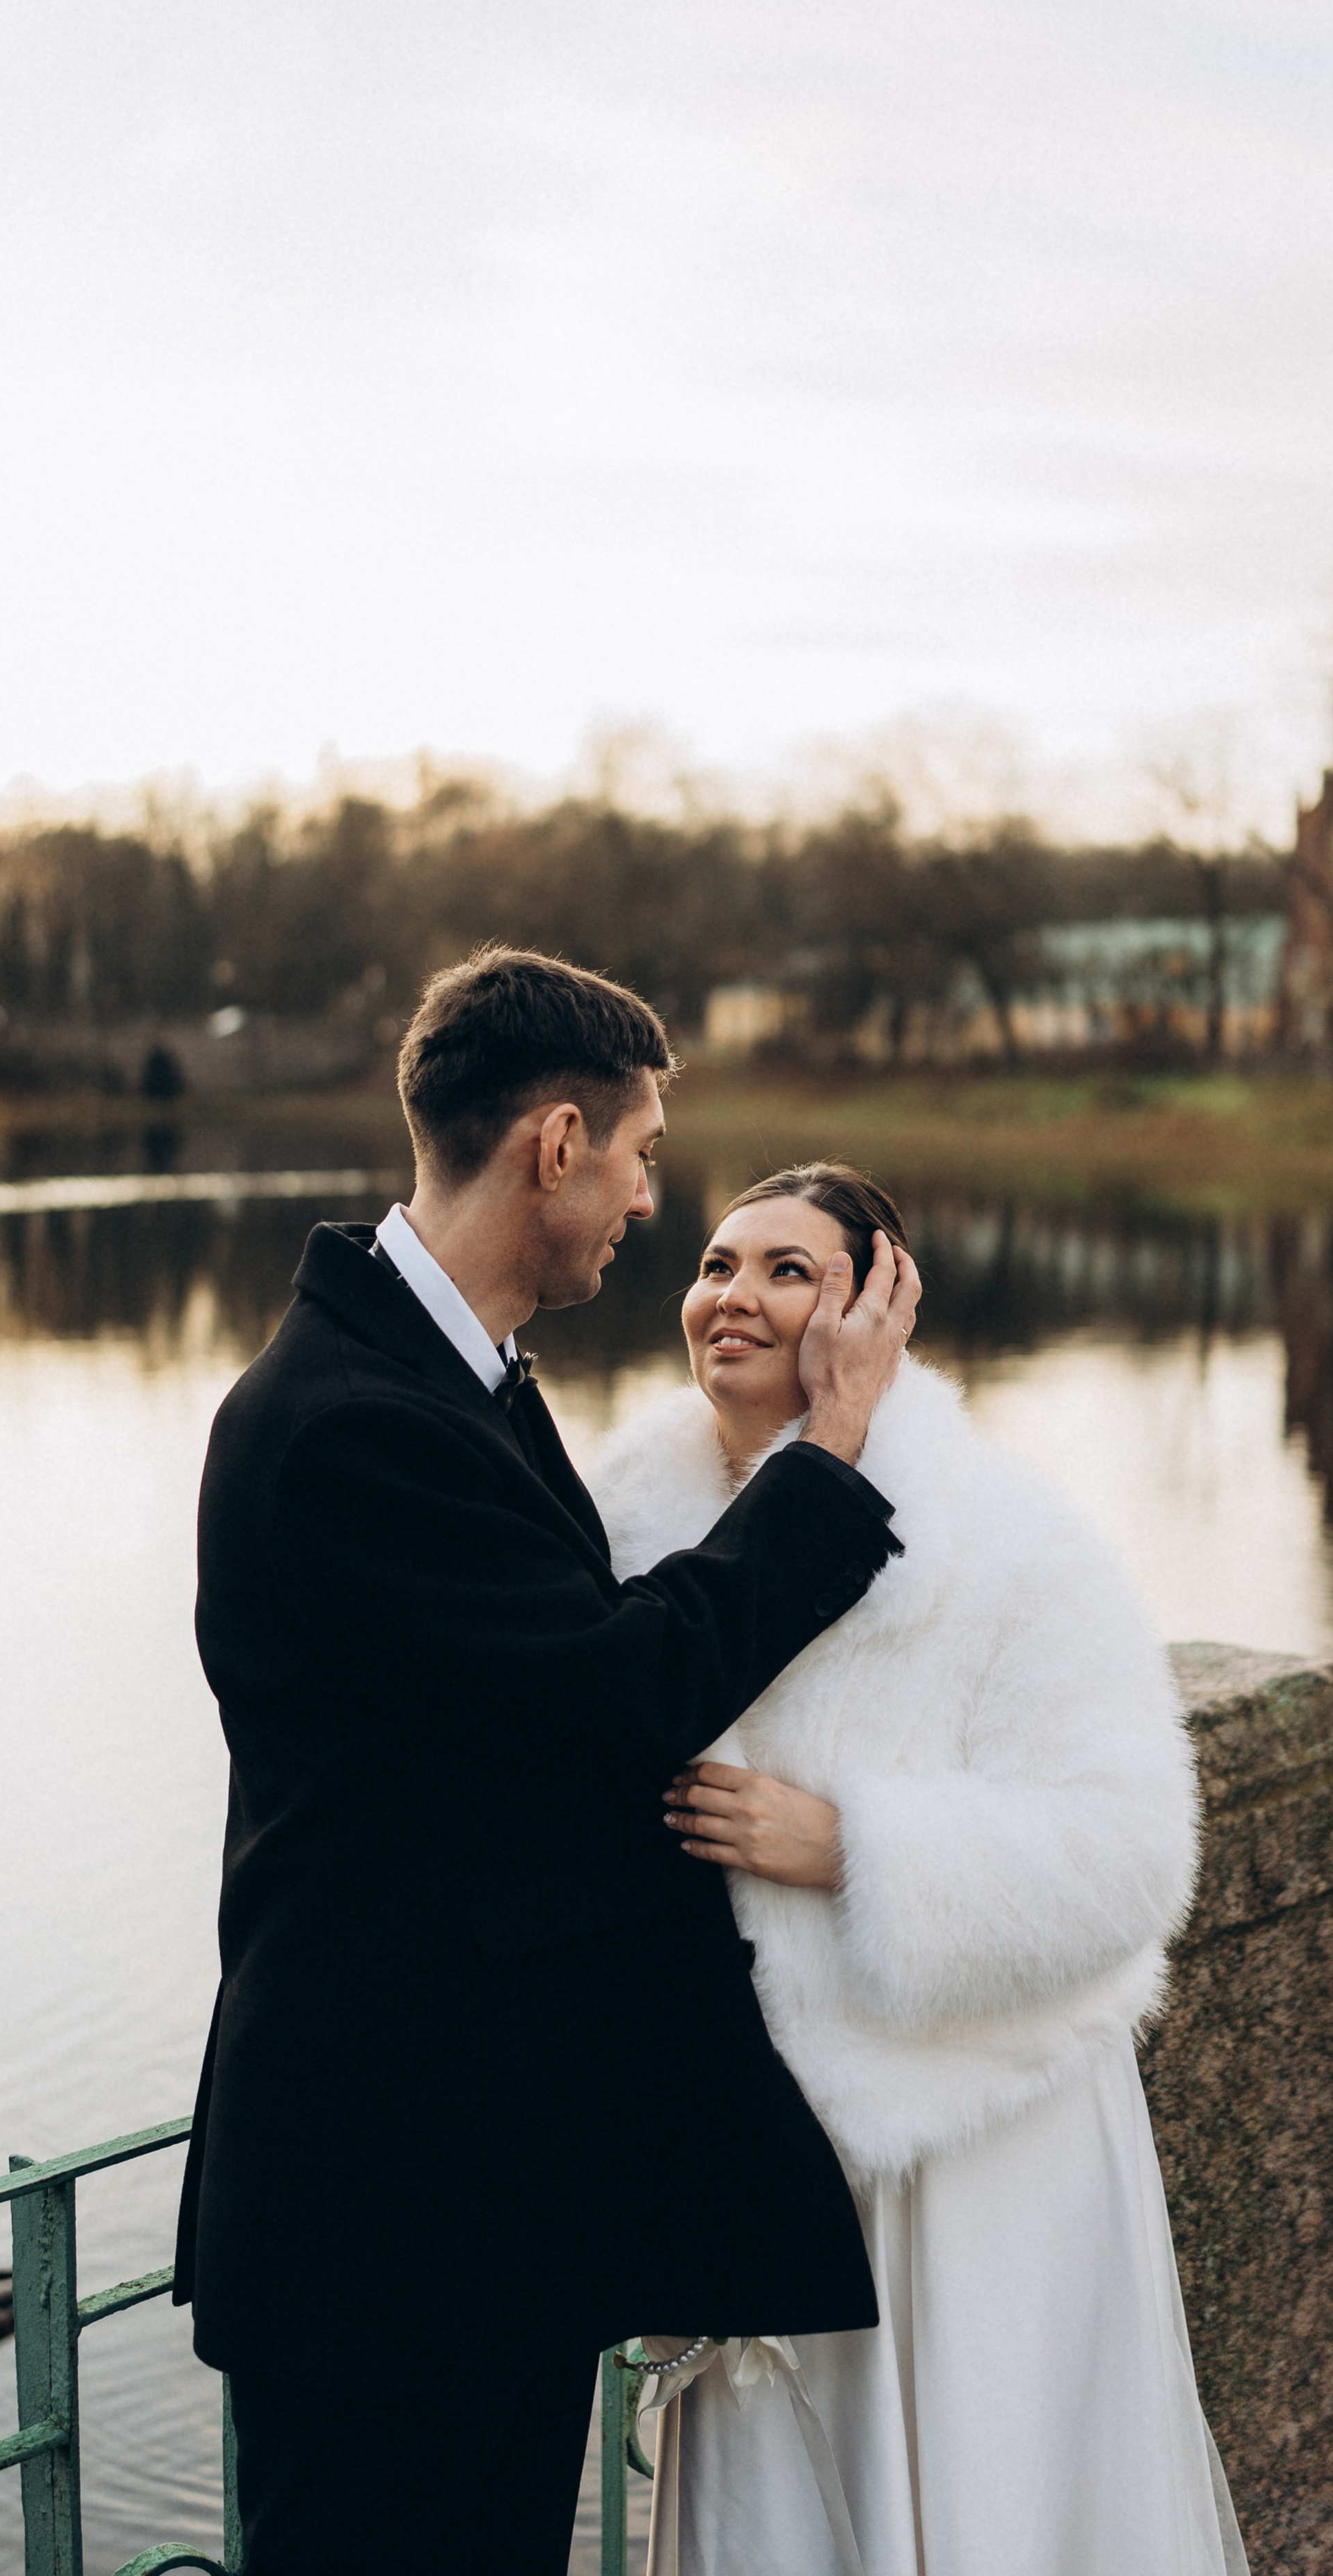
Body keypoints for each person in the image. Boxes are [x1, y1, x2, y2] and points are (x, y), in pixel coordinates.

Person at [172, 958, 920, 2576]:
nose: (651, 1200)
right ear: (558, 1143)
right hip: (383, 2212)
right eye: (645, 1156)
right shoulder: (345, 1422)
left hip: (475, 2192)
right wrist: (829, 1460)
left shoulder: (452, 1379)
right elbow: (621, 1691)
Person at [587, 1163, 1248, 2576]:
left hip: (964, 2143)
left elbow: (1127, 1850)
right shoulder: (613, 1526)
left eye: (787, 1270)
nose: (733, 1297)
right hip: (749, 2142)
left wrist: (852, 1849)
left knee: (979, 2505)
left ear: (879, 1304)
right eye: (714, 1263)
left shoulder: (1003, 1536)